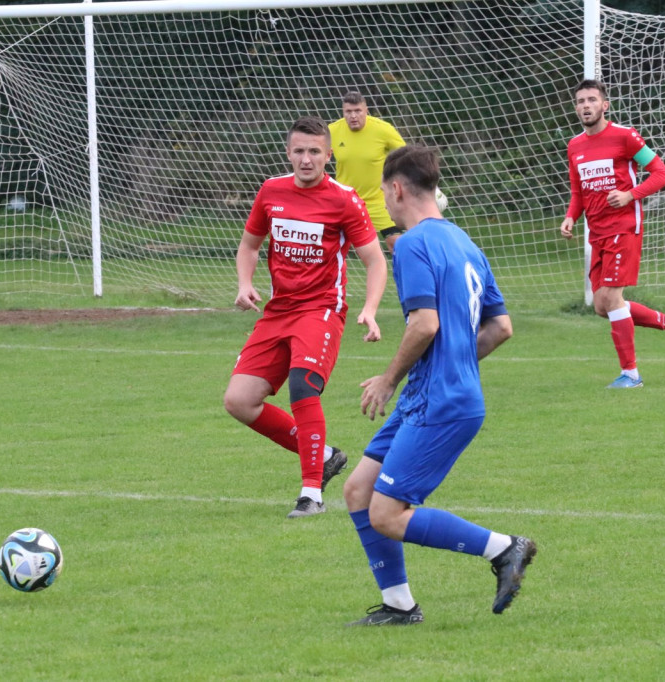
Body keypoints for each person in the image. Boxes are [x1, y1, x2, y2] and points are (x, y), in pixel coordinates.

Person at [343, 145, 535, 626]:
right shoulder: (465, 243)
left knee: (387, 514)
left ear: (397, 189)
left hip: (437, 402)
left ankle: (504, 548)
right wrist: (456, 364)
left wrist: (388, 379)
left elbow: (424, 324)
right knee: (358, 491)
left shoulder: (410, 244)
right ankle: (399, 606)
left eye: (384, 194)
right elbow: (501, 328)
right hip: (437, 395)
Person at [224, 115, 388, 519]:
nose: (306, 159)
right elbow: (249, 246)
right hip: (279, 311)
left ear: (328, 156)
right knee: (239, 402)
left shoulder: (345, 200)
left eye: (315, 151)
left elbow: (375, 261)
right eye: (299, 150)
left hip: (321, 311)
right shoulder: (271, 191)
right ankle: (326, 455)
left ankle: (311, 494)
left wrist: (368, 309)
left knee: (303, 387)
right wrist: (244, 284)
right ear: (288, 153)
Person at [559, 79, 665, 389]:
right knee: (601, 306)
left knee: (611, 298)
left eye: (592, 100)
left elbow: (662, 173)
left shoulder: (625, 137)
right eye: (580, 101)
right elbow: (578, 190)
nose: (586, 106)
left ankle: (631, 375)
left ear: (604, 105)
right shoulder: (575, 145)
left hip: (624, 227)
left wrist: (630, 195)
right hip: (597, 233)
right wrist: (570, 217)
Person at [329, 91, 408, 254]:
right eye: (348, 112)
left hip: (379, 202)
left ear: (366, 111)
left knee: (397, 245)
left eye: (357, 111)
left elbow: (406, 157)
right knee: (331, 247)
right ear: (343, 112)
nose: (353, 116)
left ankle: (405, 279)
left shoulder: (383, 130)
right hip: (345, 202)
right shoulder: (331, 131)